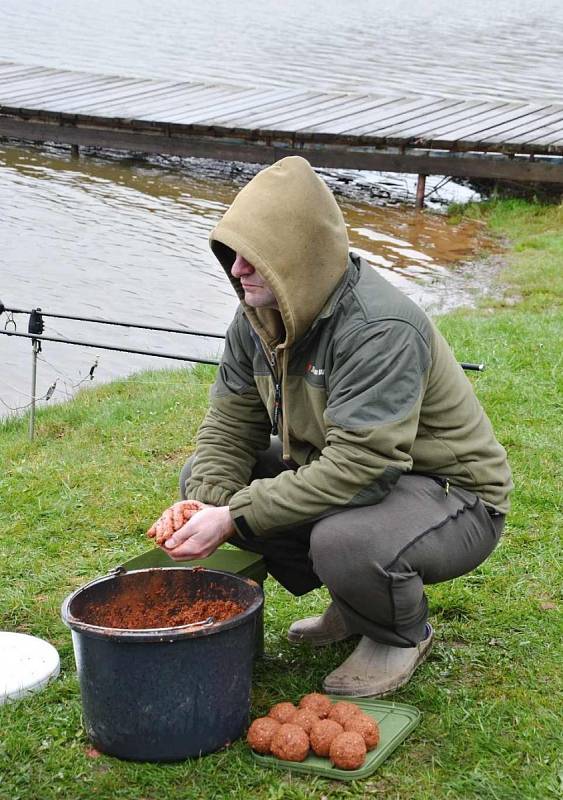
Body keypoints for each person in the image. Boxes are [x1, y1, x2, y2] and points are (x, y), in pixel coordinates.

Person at [149, 156, 512, 697]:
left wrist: (236, 517)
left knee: (342, 540)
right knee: (201, 476)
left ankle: (398, 635)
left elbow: (364, 469)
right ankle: (355, 606)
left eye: (255, 257)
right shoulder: (253, 320)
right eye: (233, 254)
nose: (237, 269)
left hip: (452, 494)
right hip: (360, 473)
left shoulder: (380, 327)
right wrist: (210, 503)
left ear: (298, 256)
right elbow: (228, 428)